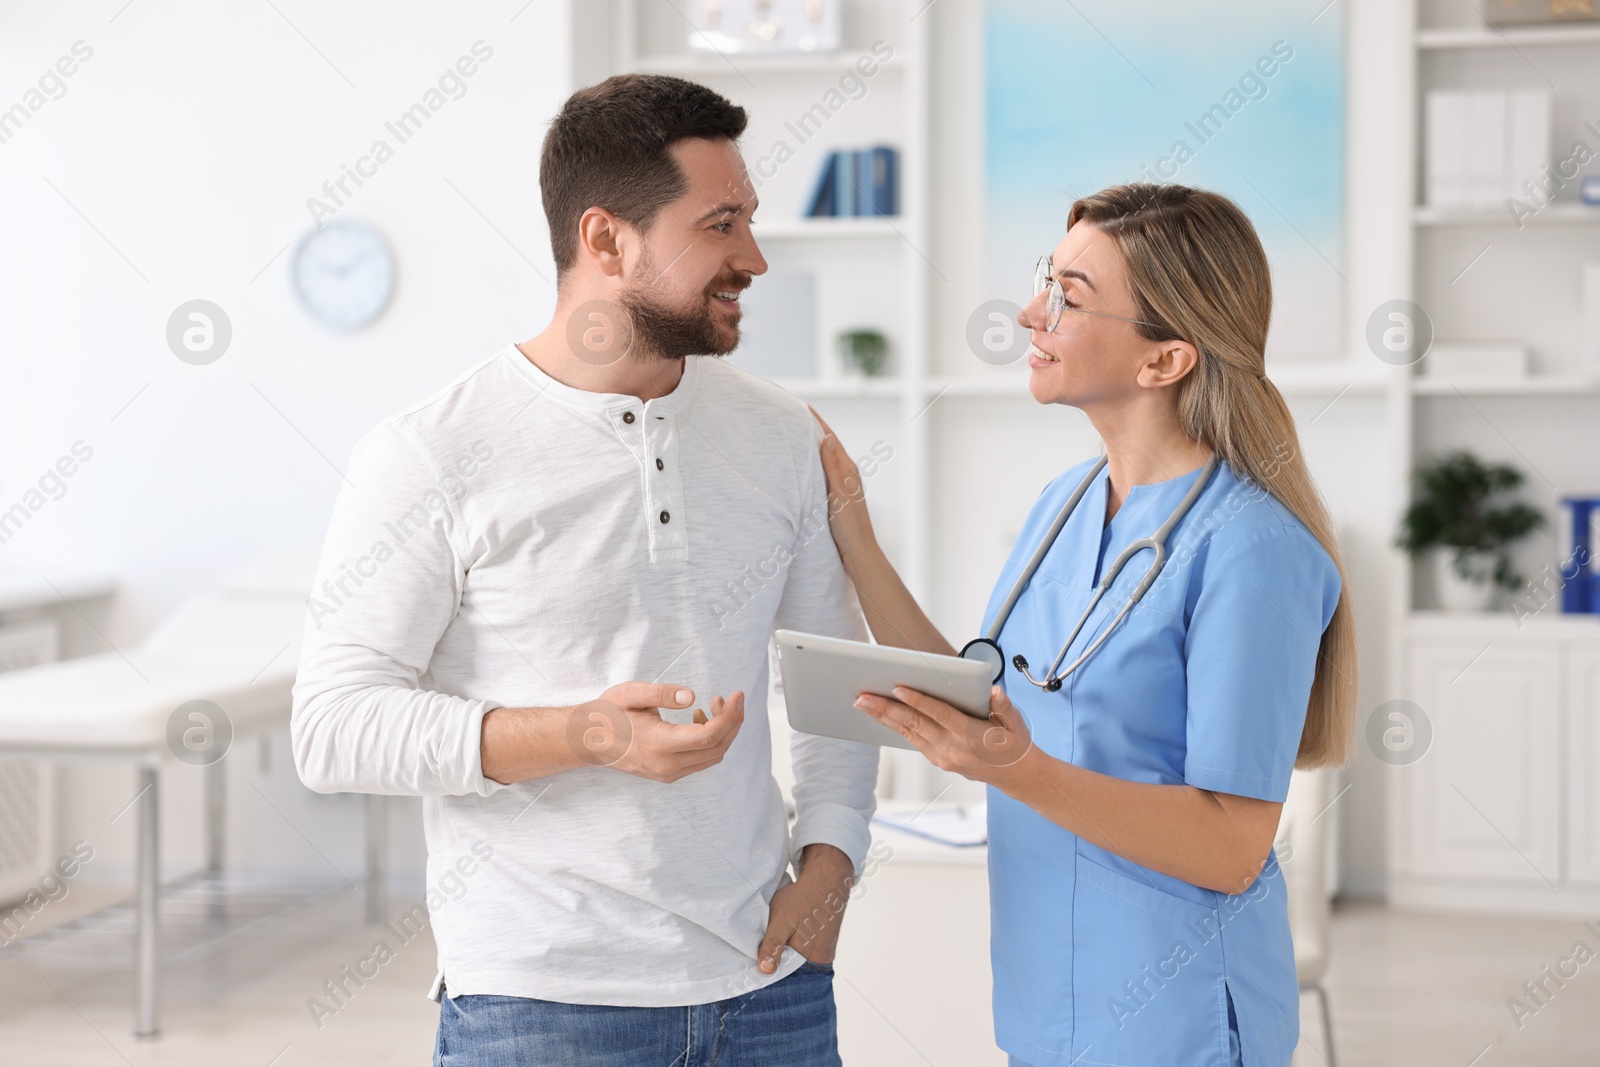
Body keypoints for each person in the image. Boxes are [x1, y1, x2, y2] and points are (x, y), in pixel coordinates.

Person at [292, 74, 877, 1067]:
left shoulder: (780, 433)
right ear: (606, 240)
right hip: (541, 1004)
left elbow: (833, 676)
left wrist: (828, 870)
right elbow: (333, 725)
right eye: (721, 223)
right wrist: (584, 732)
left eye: (751, 219)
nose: (754, 257)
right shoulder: (432, 450)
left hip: (769, 989)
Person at [812, 183, 1357, 1067]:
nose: (1031, 312)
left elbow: (1229, 846)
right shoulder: (1062, 506)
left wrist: (1015, 769)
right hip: (1046, 1001)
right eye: (1045, 280)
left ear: (1164, 359)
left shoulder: (1252, 548)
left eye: (1069, 295)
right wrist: (853, 531)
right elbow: (978, 694)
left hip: (1174, 1015)